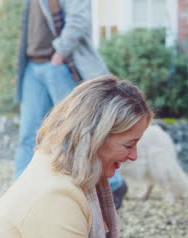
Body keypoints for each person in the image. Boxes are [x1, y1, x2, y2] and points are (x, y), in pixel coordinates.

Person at [0, 76, 152, 238]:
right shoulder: (53, 197)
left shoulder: (72, 173)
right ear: (96, 138)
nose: (134, 156)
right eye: (128, 145)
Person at [15, 0, 128, 208]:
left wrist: (59, 54)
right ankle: (20, 193)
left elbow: (79, 20)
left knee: (78, 129)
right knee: (28, 134)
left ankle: (113, 183)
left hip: (59, 65)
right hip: (32, 66)